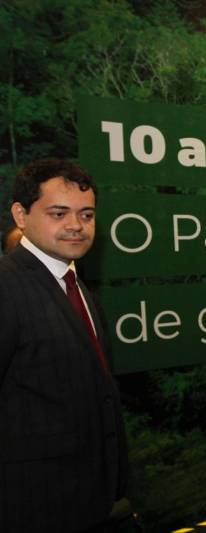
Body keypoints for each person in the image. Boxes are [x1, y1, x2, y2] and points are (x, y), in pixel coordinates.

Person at [0, 159, 127, 531]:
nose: (76, 225)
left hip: (91, 503)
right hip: (29, 508)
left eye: (86, 215)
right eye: (59, 213)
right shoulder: (7, 287)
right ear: (20, 215)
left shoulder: (77, 287)